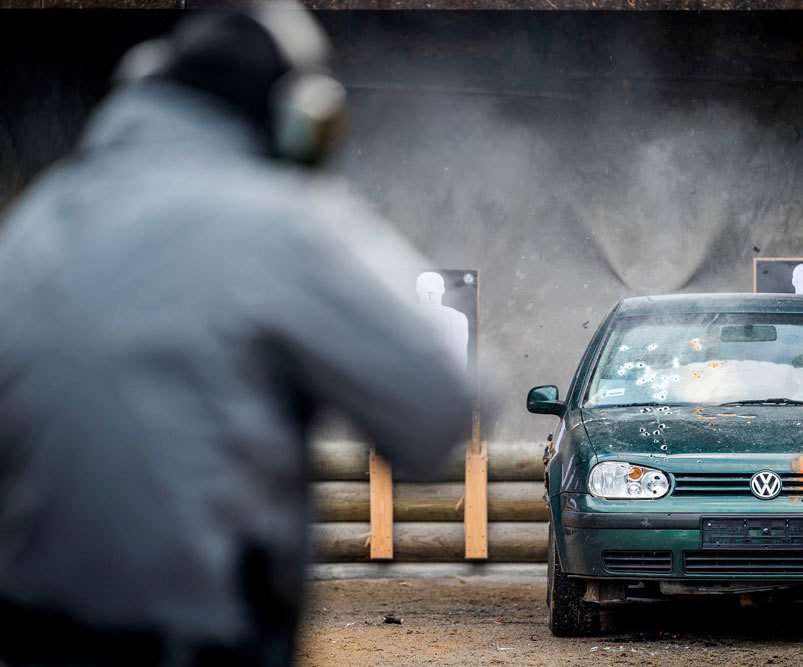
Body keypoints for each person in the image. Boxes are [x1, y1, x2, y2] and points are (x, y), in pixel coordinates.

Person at [0, 6, 473, 666]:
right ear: (301, 119)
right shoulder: (282, 224)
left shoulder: (35, 220)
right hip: (203, 643)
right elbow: (440, 413)